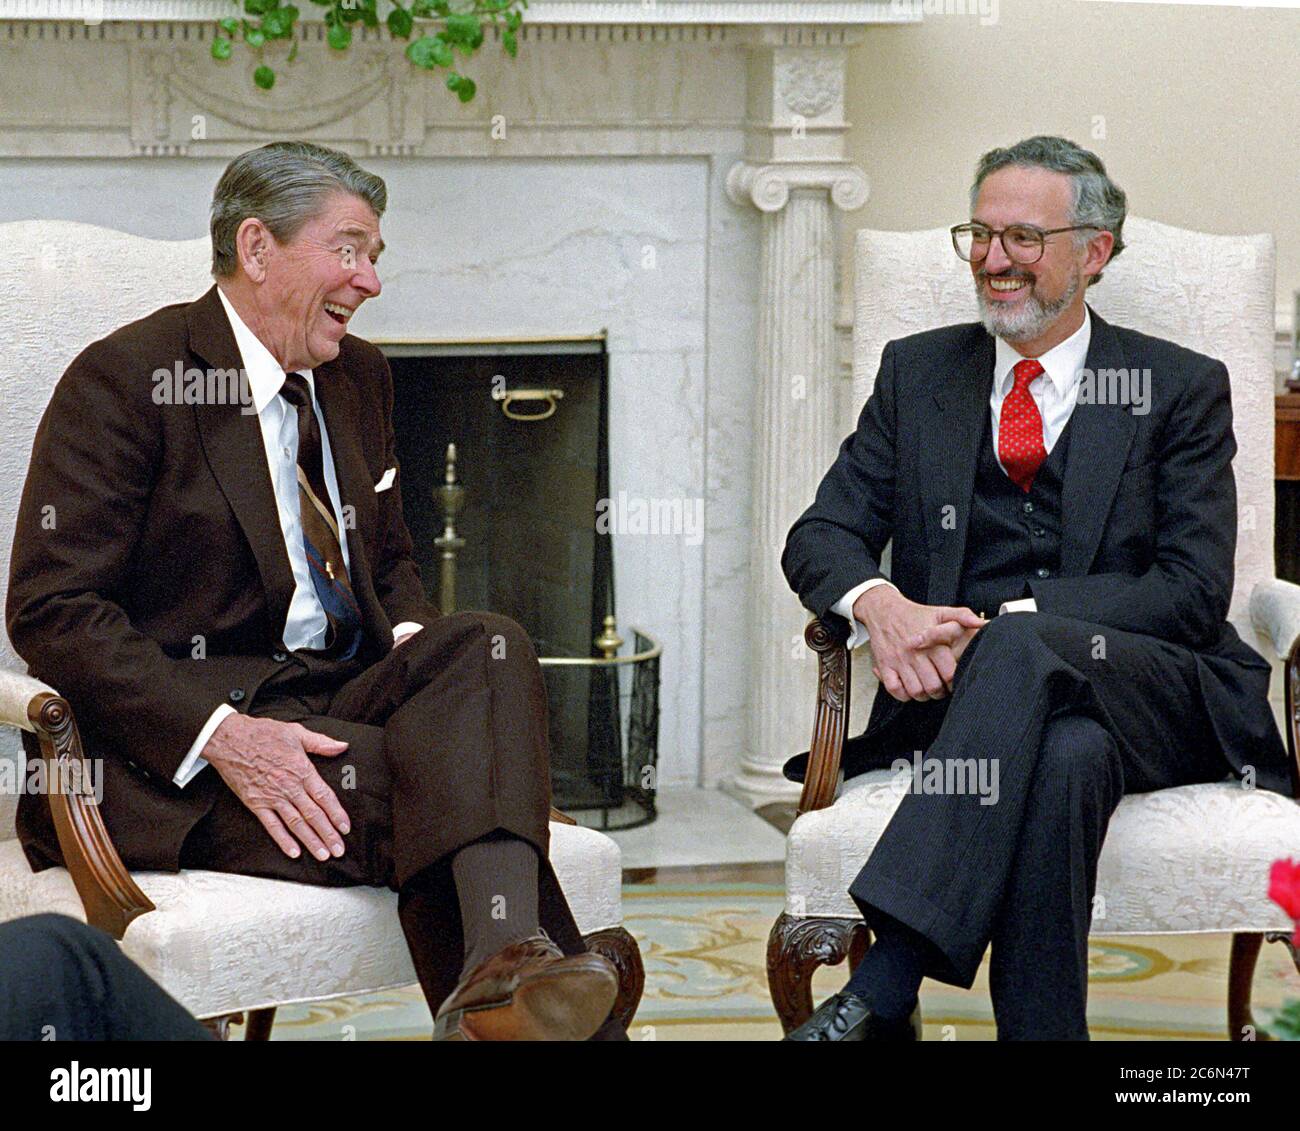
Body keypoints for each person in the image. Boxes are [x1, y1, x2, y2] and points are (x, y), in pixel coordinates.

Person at [7, 141, 620, 1042]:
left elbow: (393, 565)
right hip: (175, 747)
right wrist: (225, 736)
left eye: (376, 255)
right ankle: (525, 996)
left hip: (338, 691)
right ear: (257, 248)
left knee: (485, 640)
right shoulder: (128, 379)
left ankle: (503, 958)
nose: (370, 279)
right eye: (350, 249)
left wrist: (417, 648)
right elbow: (52, 610)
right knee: (448, 788)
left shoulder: (358, 375)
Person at [780, 135, 1297, 1041]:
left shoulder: (1175, 387)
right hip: (993, 719)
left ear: (1092, 252)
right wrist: (881, 604)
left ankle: (887, 982)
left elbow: (1189, 590)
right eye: (978, 234)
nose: (992, 259)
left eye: (1022, 237)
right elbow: (820, 534)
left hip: (1158, 694)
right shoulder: (918, 373)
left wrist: (1013, 624)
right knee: (1065, 759)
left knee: (1022, 642)